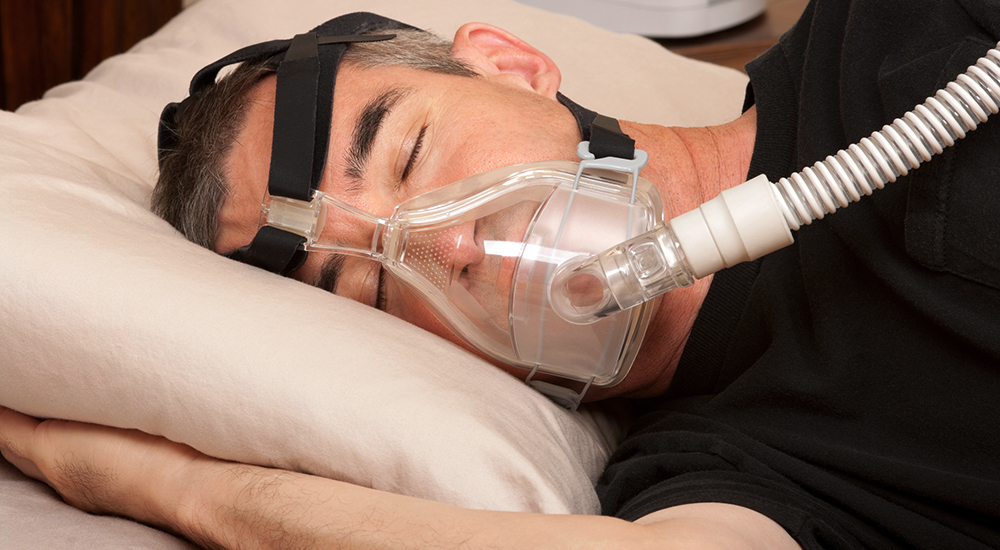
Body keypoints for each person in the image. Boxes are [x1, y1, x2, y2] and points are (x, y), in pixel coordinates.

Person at [2, 0, 999, 548]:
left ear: (510, 64)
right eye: (368, 284)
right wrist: (179, 489)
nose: (447, 246)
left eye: (408, 153)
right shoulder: (727, 471)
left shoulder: (899, 33)